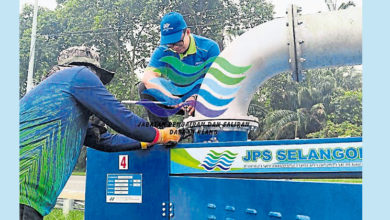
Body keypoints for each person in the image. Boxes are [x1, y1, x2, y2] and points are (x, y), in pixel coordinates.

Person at [19, 45, 181, 219]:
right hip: (22, 191)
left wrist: (145, 141)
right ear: (89, 69)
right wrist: (160, 134)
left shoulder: (55, 101)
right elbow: (121, 117)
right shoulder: (79, 75)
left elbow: (101, 139)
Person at [139, 12, 220, 126]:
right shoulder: (163, 51)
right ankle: (163, 133)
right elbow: (148, 78)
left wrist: (196, 97)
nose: (175, 48)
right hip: (176, 96)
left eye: (178, 43)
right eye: (170, 45)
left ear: (187, 32)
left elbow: (214, 82)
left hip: (201, 97)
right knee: (144, 87)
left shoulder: (209, 48)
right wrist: (167, 96)